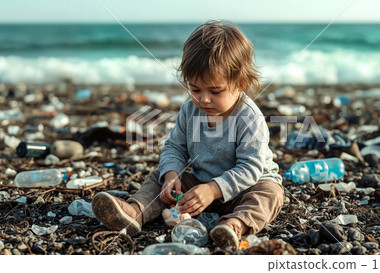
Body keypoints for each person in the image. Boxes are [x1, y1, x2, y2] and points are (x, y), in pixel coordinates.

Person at [92, 20, 284, 250]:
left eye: (215, 91)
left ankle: (233, 226)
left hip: (246, 187)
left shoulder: (249, 117)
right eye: (195, 89)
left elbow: (250, 169)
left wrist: (214, 189)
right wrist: (172, 174)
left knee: (269, 194)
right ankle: (134, 211)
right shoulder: (189, 111)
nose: (203, 99)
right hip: (200, 184)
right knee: (158, 177)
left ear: (240, 83)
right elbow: (175, 147)